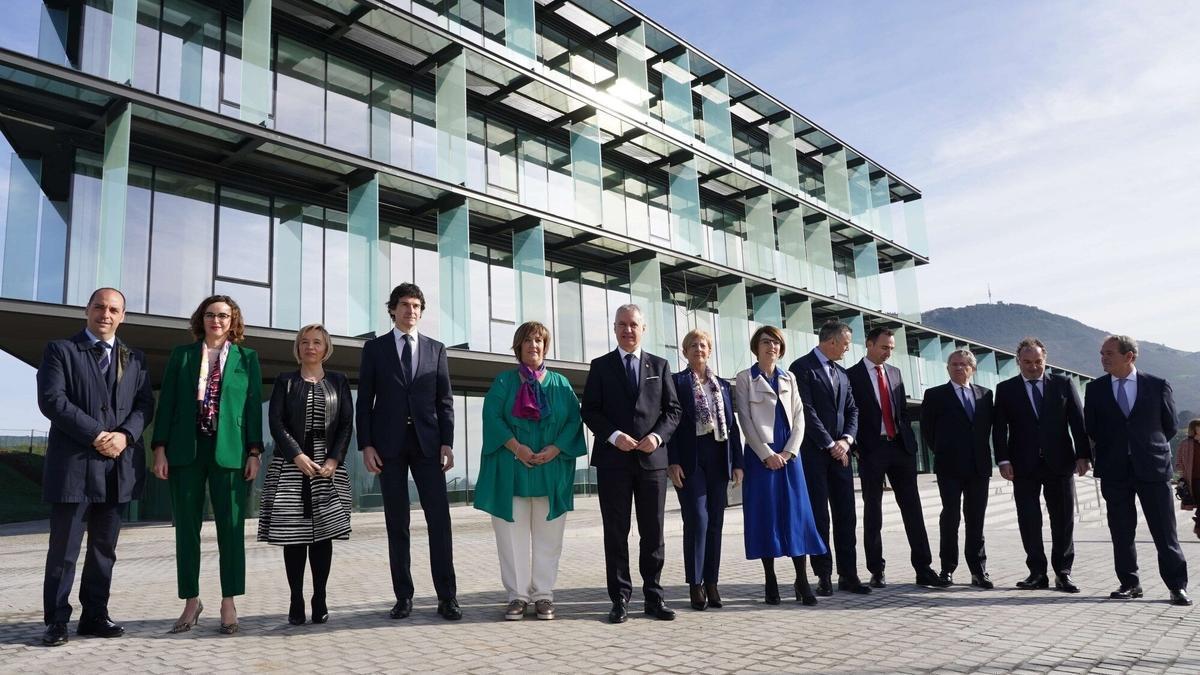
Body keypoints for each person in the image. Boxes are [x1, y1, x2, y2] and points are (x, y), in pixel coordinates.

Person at [37, 288, 155, 647]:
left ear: (123, 316)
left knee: (104, 550)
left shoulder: (135, 358)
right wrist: (97, 435)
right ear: (87, 310)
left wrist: (125, 436)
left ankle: (94, 616)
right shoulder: (61, 350)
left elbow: (144, 405)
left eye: (114, 309)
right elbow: (53, 401)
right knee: (64, 550)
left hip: (118, 468)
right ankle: (56, 621)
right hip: (74, 466)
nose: (106, 313)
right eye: (100, 307)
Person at [152, 295, 264, 634]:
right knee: (187, 529)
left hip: (230, 452)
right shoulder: (182, 356)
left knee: (231, 530)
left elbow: (253, 407)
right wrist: (159, 449)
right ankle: (190, 601)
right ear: (201, 319)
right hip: (187, 451)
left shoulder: (247, 358)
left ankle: (228, 602)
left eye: (224, 316)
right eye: (211, 315)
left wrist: (255, 452)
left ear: (233, 321)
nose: (217, 320)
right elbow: (167, 403)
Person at [355, 283, 461, 620]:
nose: (410, 311)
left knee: (439, 523)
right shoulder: (374, 349)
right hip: (388, 448)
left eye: (416, 305)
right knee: (396, 523)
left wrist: (448, 442)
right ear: (393, 309)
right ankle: (404, 597)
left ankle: (447, 597)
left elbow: (445, 401)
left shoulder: (437, 349)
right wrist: (366, 444)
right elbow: (364, 402)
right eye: (404, 305)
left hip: (429, 446)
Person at [476, 321, 587, 621]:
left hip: (551, 472)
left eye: (539, 341)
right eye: (527, 341)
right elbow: (492, 418)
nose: (533, 346)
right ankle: (517, 596)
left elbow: (573, 423)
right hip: (512, 471)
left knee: (549, 537)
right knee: (511, 538)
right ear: (518, 347)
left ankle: (543, 595)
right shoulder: (503, 383)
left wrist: (555, 449)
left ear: (545, 346)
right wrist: (517, 448)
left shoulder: (561, 384)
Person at [581, 304, 682, 623]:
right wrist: (612, 435)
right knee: (616, 531)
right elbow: (590, 410)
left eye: (633, 324)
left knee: (653, 532)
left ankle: (654, 596)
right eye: (622, 324)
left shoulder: (660, 365)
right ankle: (620, 599)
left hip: (652, 461)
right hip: (614, 462)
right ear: (614, 329)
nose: (628, 329)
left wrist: (658, 437)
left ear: (643, 329)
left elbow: (673, 411)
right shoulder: (600, 366)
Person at [1085, 335, 1190, 606]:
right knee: (1121, 531)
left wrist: (1145, 447)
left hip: (1152, 469)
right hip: (1114, 470)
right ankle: (1129, 583)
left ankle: (1177, 586)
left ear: (1129, 356)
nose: (1103, 358)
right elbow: (1092, 428)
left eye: (1109, 353)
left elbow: (1168, 426)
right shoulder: (1095, 389)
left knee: (1164, 531)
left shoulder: (1156, 385)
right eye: (1101, 353)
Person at [259, 324, 353, 625]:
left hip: (328, 469)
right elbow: (276, 422)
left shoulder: (339, 381)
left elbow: (346, 426)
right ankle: (296, 598)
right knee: (295, 537)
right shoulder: (285, 381)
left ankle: (320, 597)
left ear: (326, 348)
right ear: (297, 348)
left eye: (316, 342)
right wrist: (296, 455)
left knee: (323, 536)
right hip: (291, 467)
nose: (310, 347)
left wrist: (334, 459)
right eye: (304, 342)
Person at [846, 327, 946, 589]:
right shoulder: (851, 376)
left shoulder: (895, 373)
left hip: (900, 448)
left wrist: (908, 443)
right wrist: (856, 446)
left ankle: (923, 568)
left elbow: (900, 410)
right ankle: (876, 570)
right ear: (868, 344)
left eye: (891, 348)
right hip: (871, 450)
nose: (888, 352)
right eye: (884, 347)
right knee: (873, 512)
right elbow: (848, 413)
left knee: (913, 510)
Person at [735, 326, 827, 606]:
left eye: (775, 343)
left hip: (789, 457)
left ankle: (802, 579)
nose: (771, 347)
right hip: (760, 456)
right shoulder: (744, 379)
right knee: (766, 516)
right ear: (756, 346)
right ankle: (770, 579)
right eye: (765, 342)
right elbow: (745, 421)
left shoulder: (790, 377)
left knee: (796, 516)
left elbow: (800, 418)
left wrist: (789, 452)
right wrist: (766, 454)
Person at [992, 337, 1089, 593]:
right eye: (1027, 362)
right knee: (1029, 520)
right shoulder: (1006, 389)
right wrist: (1003, 460)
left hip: (1060, 463)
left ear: (1045, 360)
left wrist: (1083, 455)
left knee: (1063, 520)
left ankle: (1063, 573)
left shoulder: (1063, 383)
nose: (1033, 366)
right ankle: (1037, 573)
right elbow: (999, 430)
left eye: (1038, 361)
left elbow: (1078, 422)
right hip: (1023, 466)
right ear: (1018, 362)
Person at [789, 320, 869, 596]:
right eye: (846, 343)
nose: (848, 348)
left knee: (846, 516)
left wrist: (845, 441)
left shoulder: (843, 374)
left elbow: (853, 410)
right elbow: (806, 411)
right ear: (832, 341)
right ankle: (823, 575)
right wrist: (829, 443)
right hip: (814, 455)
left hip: (841, 456)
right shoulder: (801, 368)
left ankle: (849, 574)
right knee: (820, 517)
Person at [666, 329, 744, 611]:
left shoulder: (722, 385)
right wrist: (671, 460)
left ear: (709, 351)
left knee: (716, 523)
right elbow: (670, 423)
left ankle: (712, 581)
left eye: (703, 345)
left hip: (719, 456)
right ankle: (695, 583)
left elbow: (732, 428)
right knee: (697, 520)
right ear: (684, 352)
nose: (698, 349)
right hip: (690, 460)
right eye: (693, 345)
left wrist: (738, 462)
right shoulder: (676, 382)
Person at [920, 349, 995, 589]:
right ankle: (947, 569)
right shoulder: (935, 395)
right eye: (954, 364)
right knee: (950, 518)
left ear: (972, 368)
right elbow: (927, 431)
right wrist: (943, 450)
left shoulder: (985, 395)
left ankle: (978, 570)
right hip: (949, 467)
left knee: (976, 520)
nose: (958, 368)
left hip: (978, 468)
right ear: (948, 368)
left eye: (963, 364)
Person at [1175, 419, 1200, 537]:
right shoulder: (1186, 443)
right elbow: (1179, 460)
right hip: (1193, 480)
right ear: (1193, 429)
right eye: (1198, 427)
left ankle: (1198, 526)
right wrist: (1181, 476)